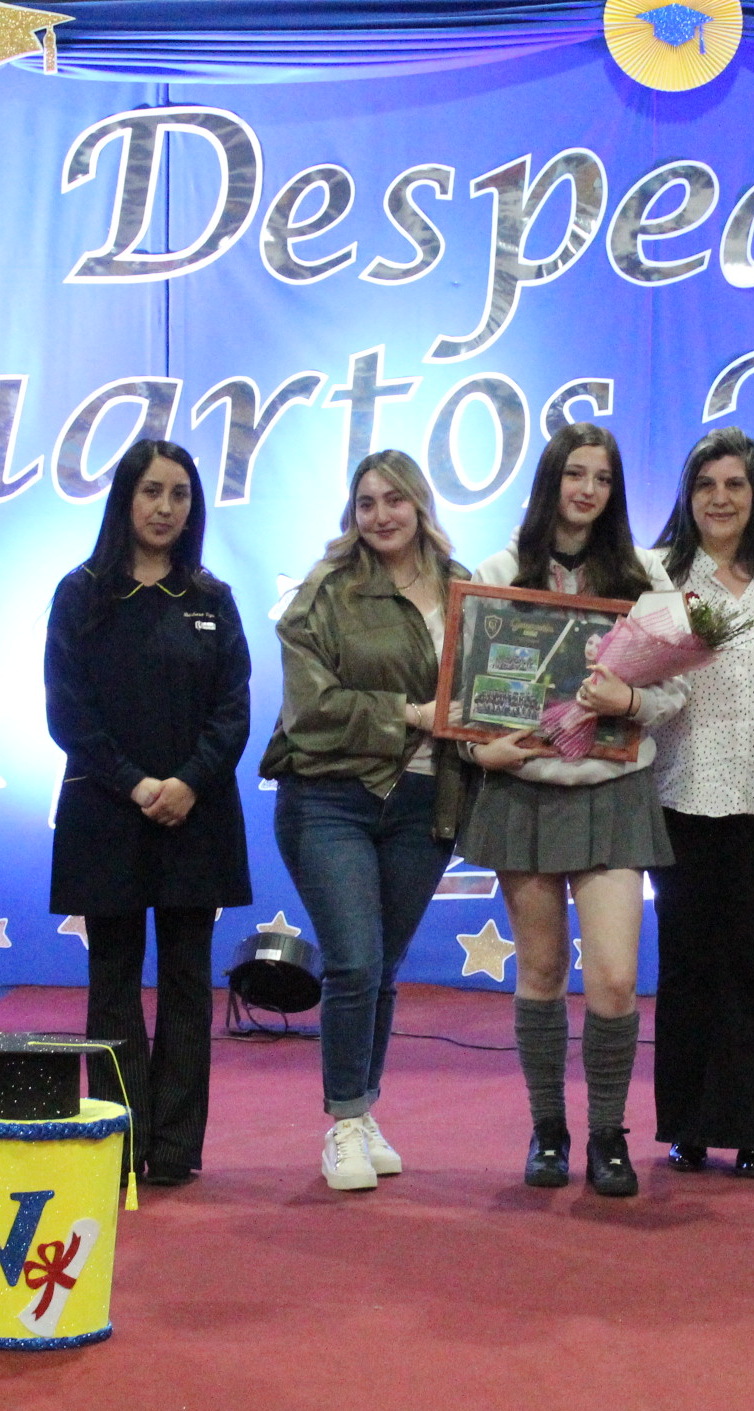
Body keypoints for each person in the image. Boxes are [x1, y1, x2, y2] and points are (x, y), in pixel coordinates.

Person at [460, 424, 684, 1200]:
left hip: (613, 788)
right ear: (550, 479)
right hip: (524, 791)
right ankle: (548, 1129)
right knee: (544, 970)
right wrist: (478, 751)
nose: (588, 490)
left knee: (615, 979)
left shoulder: (645, 577)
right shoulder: (498, 573)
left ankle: (608, 1134)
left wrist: (631, 701)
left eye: (603, 478)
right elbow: (465, 696)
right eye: (575, 474)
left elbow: (676, 689)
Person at [258, 450, 476, 1193]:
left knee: (382, 967)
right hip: (330, 800)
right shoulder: (325, 591)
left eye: (394, 499)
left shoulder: (465, 587)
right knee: (353, 961)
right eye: (366, 502)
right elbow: (310, 711)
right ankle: (344, 1122)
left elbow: (490, 689)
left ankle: (364, 1108)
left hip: (425, 803)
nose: (381, 515)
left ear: (420, 504)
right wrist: (410, 714)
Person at [44, 439, 250, 1185]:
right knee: (114, 982)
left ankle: (176, 1150)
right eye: (152, 492)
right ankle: (120, 1144)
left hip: (197, 817)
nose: (166, 508)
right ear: (125, 499)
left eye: (180, 495)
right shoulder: (81, 594)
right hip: (107, 815)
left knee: (189, 983)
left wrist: (188, 783)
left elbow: (233, 712)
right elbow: (68, 712)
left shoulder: (212, 598)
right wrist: (135, 785)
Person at [646, 428, 754, 1178]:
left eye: (735, 485)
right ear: (688, 496)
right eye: (706, 485)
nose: (720, 498)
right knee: (686, 966)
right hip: (681, 794)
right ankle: (686, 1125)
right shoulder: (656, 578)